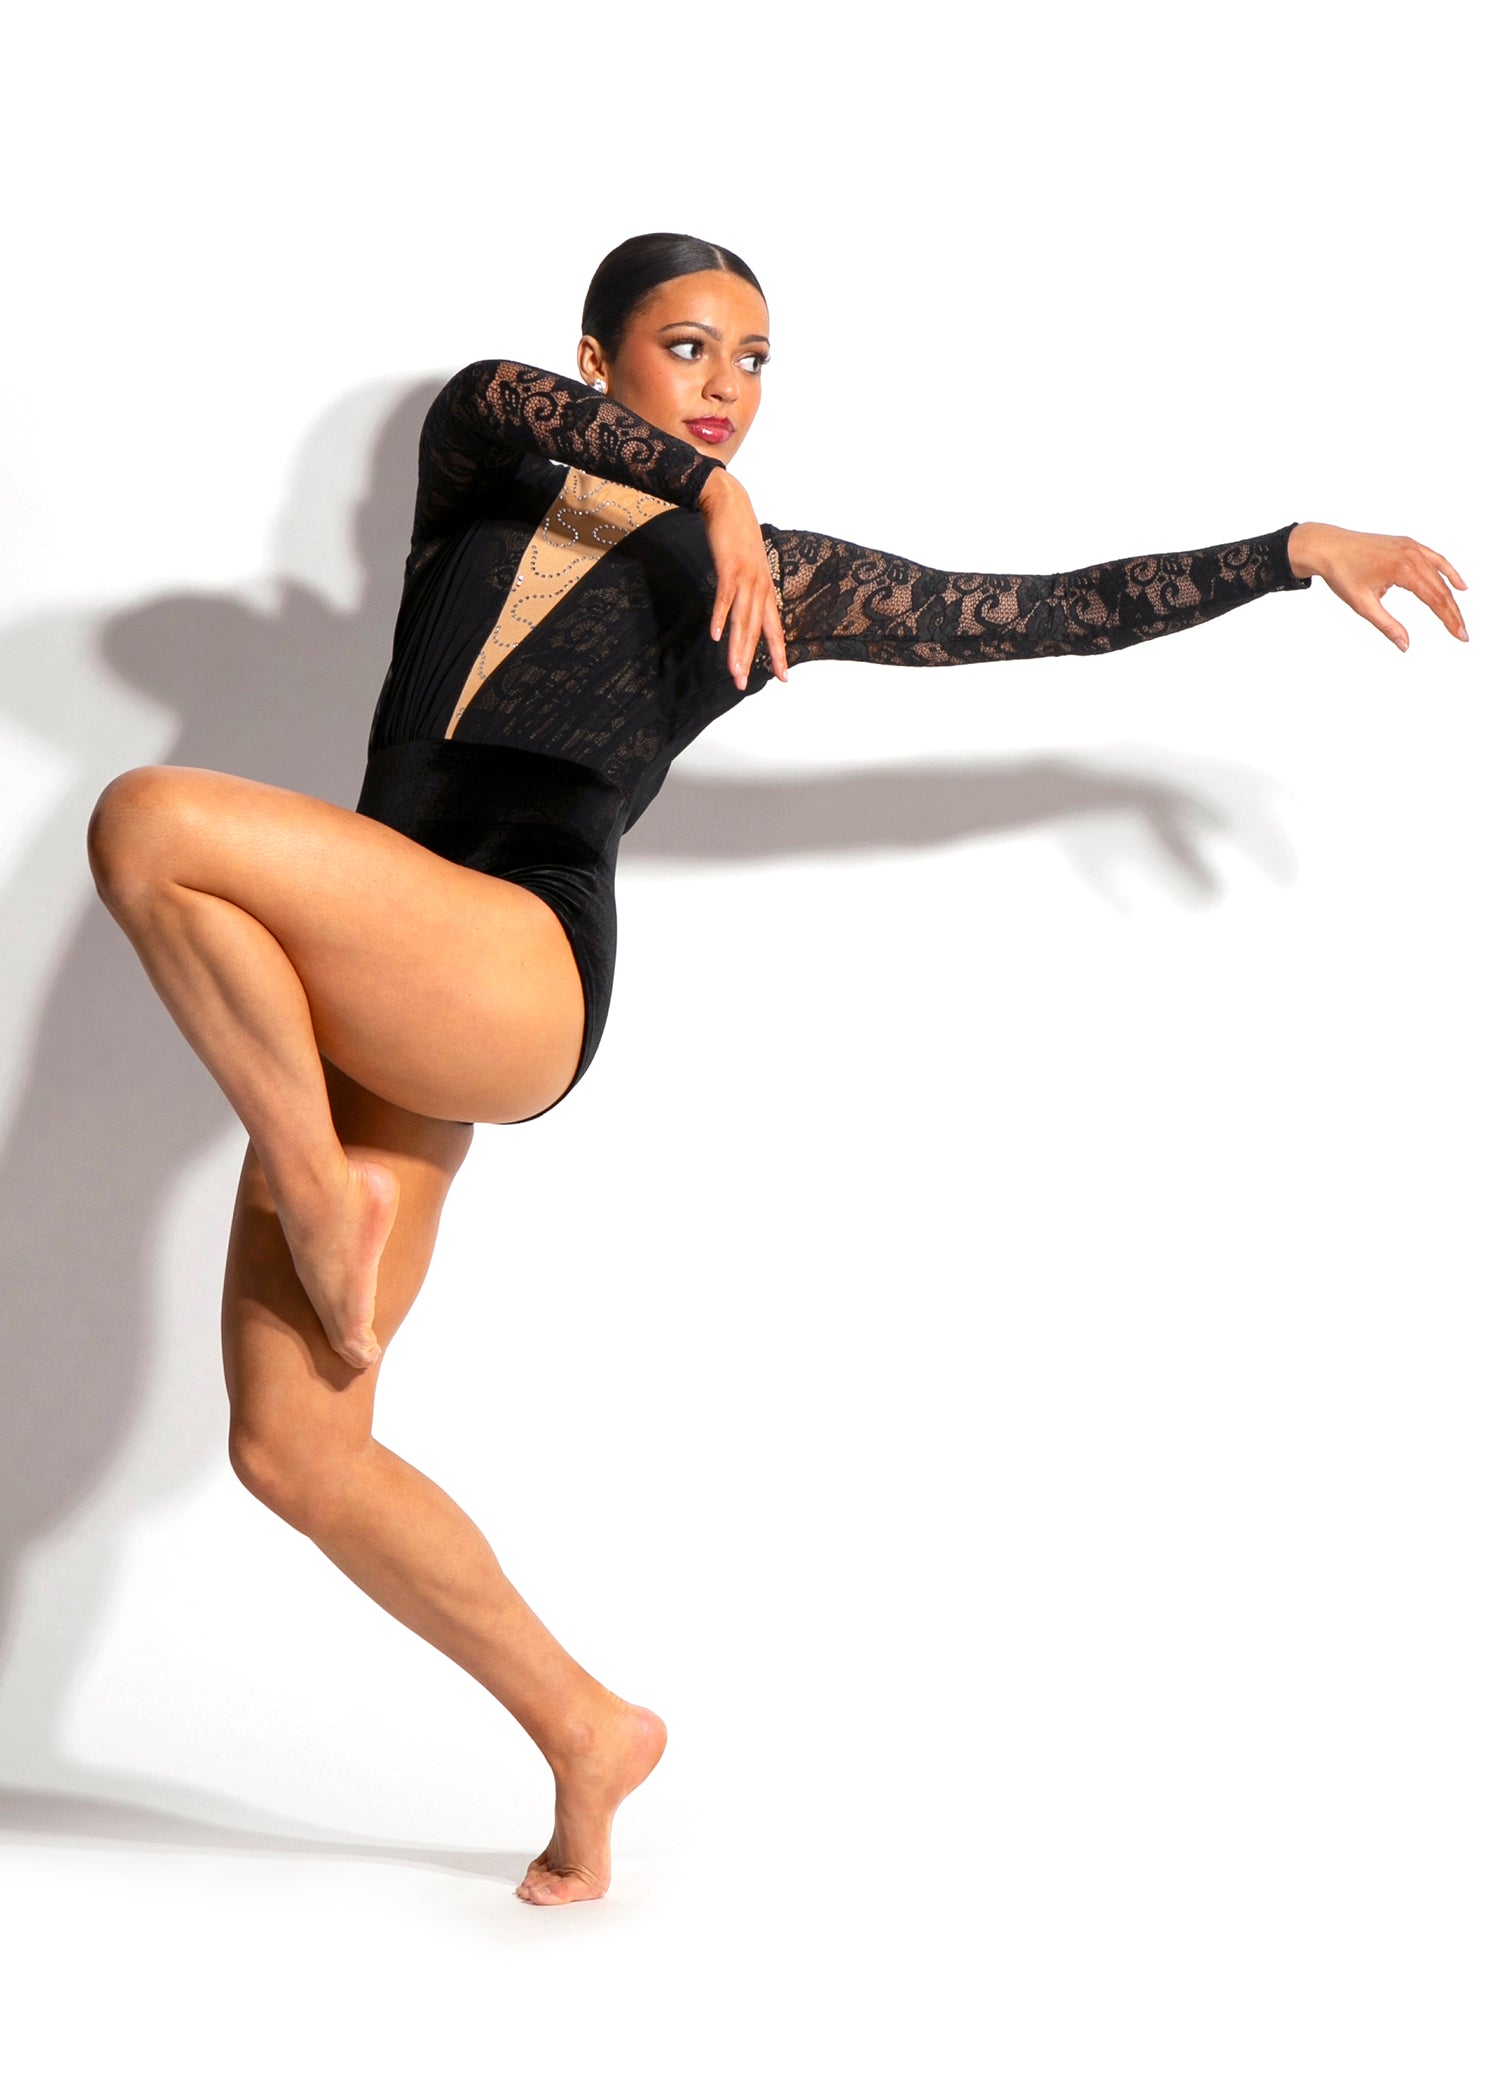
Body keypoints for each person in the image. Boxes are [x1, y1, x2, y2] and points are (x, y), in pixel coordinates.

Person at [85, 231, 1469, 1906]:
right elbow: (495, 401)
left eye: (753, 362)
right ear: (601, 359)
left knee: (150, 821)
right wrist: (711, 496)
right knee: (295, 1451)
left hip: (514, 964)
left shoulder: (772, 585)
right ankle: (588, 1730)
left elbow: (1040, 614)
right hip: (375, 968)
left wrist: (1291, 549)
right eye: (689, 347)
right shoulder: (483, 462)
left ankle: (317, 1183)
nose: (727, 388)